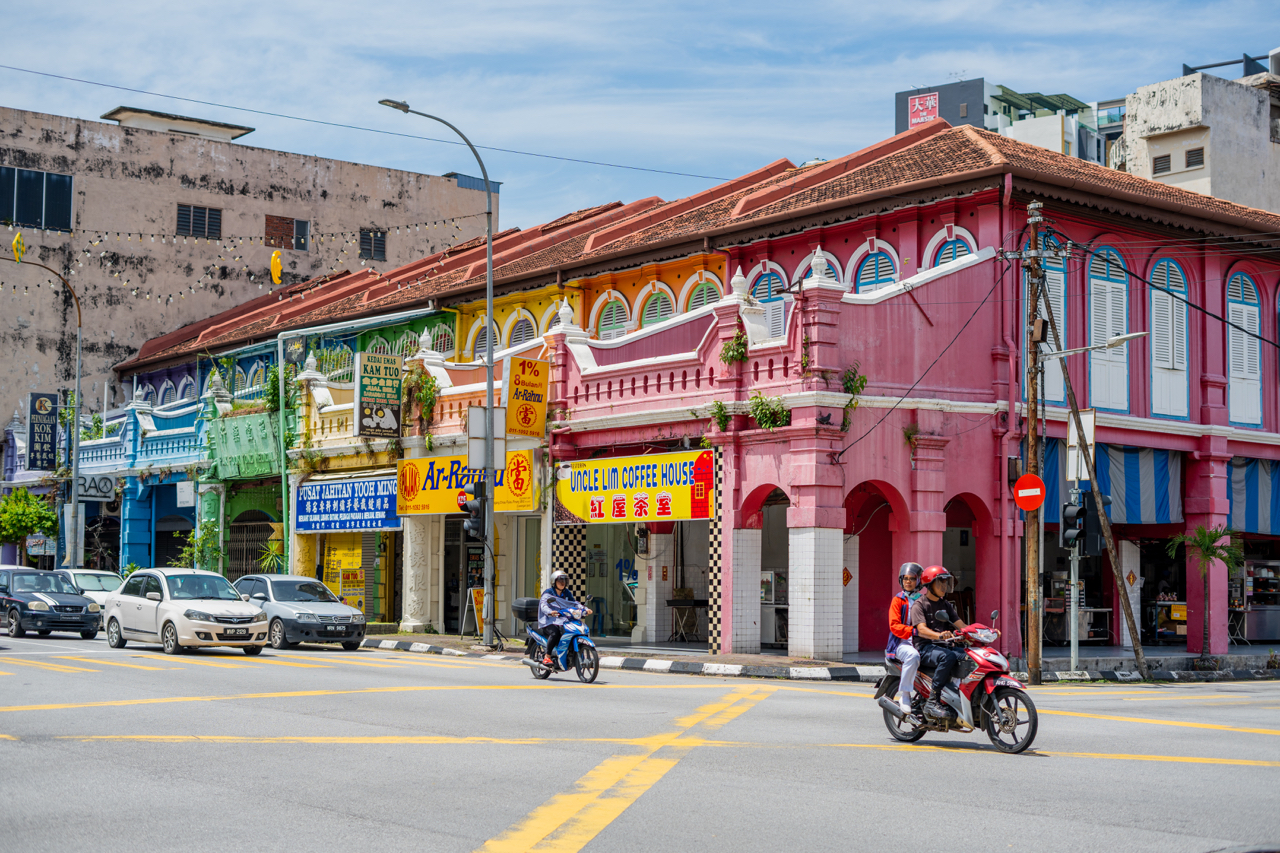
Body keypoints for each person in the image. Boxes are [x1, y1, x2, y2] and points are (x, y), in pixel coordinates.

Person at [910, 565, 968, 720]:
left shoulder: (945, 605)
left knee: (968, 656)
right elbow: (921, 630)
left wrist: (982, 632)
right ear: (929, 585)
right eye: (940, 582)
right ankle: (932, 701)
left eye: (945, 582)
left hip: (942, 647)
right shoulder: (919, 605)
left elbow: (961, 625)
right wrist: (939, 636)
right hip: (925, 648)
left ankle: (958, 696)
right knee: (947, 657)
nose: (944, 586)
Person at [886, 562, 924, 715]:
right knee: (913, 656)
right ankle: (905, 695)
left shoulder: (923, 600)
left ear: (918, 581)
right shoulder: (898, 600)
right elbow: (894, 626)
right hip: (902, 644)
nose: (908, 582)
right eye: (905, 578)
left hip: (922, 642)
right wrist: (914, 631)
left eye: (912, 579)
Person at [538, 570, 592, 668]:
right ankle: (547, 656)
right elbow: (543, 605)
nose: (562, 583)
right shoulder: (548, 593)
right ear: (554, 582)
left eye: (564, 581)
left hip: (562, 619)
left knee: (572, 630)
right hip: (548, 620)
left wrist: (585, 609)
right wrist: (550, 612)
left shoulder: (566, 593)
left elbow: (575, 603)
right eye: (560, 581)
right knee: (555, 632)